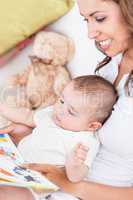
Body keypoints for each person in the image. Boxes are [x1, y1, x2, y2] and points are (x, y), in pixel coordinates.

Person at [0, 0, 133, 199]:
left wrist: (69, 185)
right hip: (52, 179)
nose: (90, 33)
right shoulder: (110, 65)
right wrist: (28, 133)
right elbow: (77, 123)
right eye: (86, 20)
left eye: (99, 18)